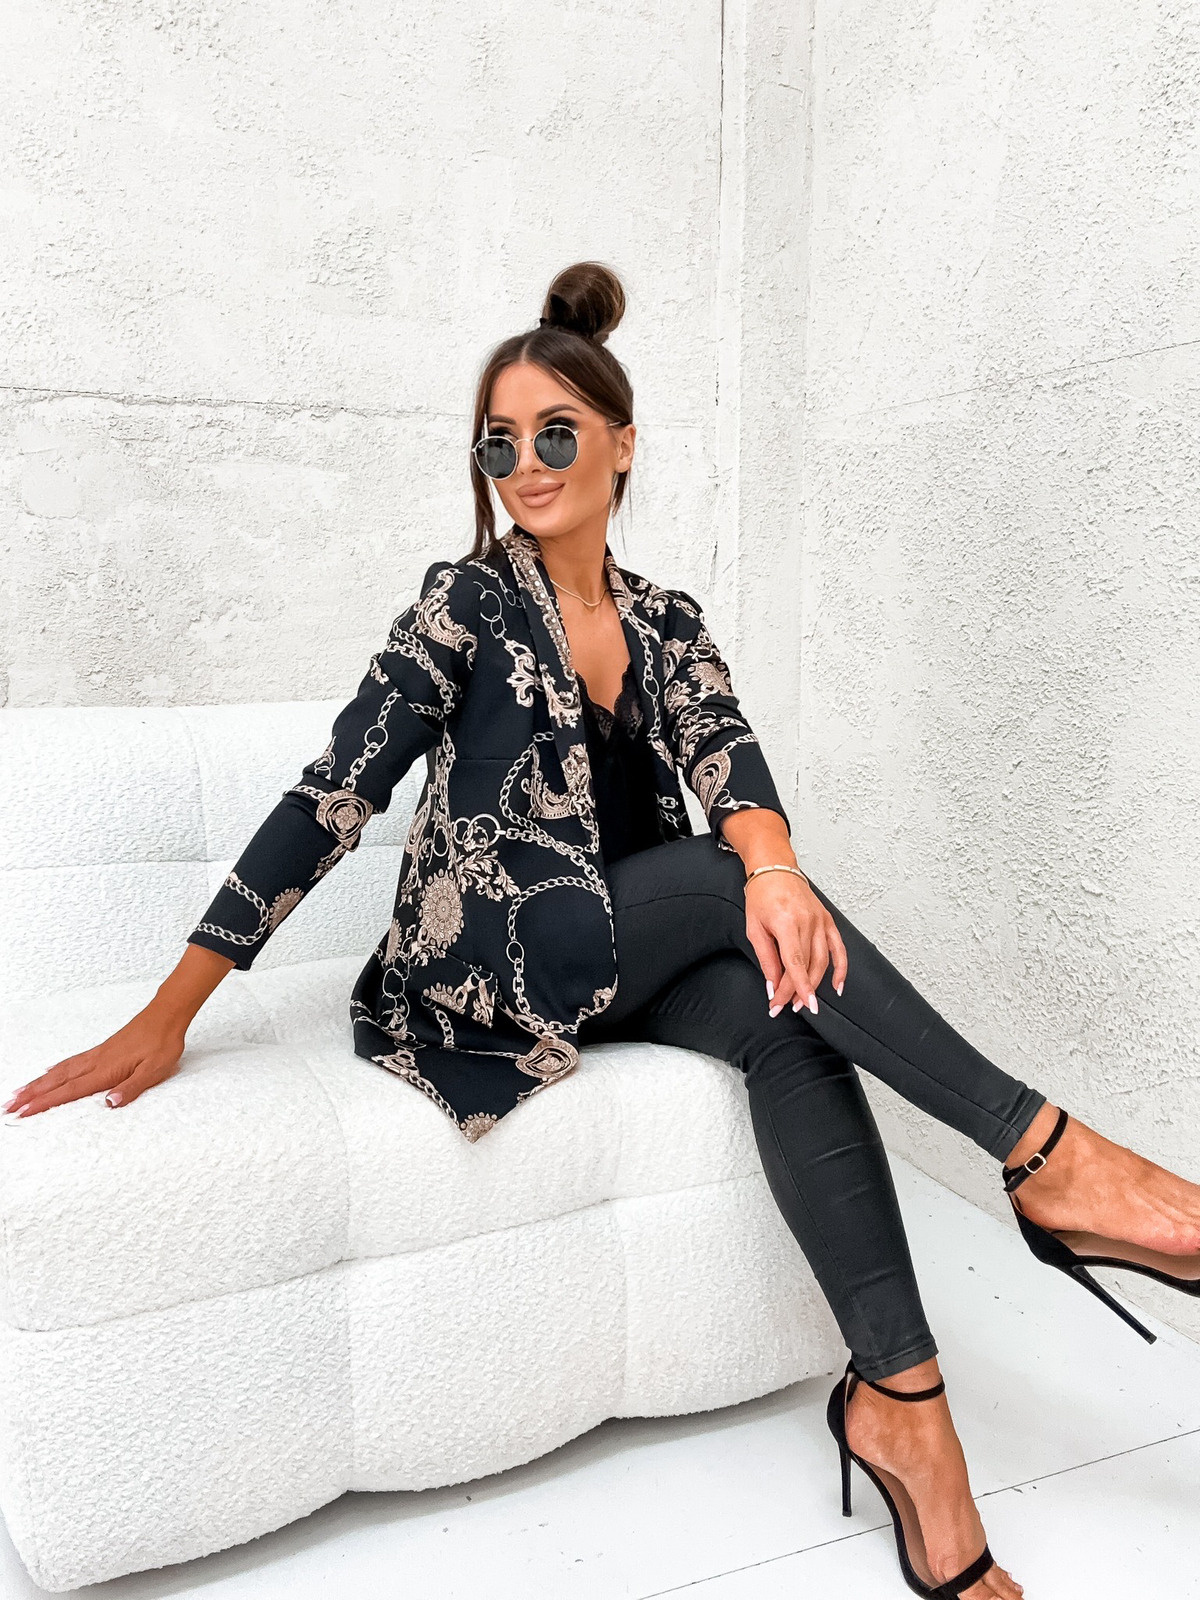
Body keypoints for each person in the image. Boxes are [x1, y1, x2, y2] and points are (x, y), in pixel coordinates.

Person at [7, 260, 1200, 1600]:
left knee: (788, 1014)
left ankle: (902, 1405)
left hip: (620, 959)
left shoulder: (667, 622)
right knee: (728, 879)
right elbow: (331, 796)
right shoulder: (463, 605)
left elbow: (729, 756)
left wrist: (773, 865)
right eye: (500, 443)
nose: (526, 465)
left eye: (557, 434)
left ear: (623, 445)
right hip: (481, 968)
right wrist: (170, 1013)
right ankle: (1051, 1156)